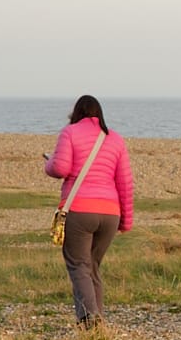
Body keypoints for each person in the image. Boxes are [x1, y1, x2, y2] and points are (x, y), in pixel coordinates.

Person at [44, 94, 134, 327]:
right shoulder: (115, 139)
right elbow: (125, 182)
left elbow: (61, 167)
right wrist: (126, 220)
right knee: (92, 267)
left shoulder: (70, 132)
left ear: (77, 113)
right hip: (110, 214)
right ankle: (98, 322)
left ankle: (89, 319)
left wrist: (48, 163)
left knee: (79, 265)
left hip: (80, 209)